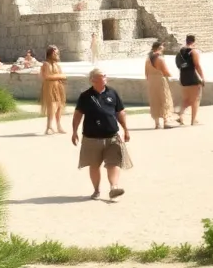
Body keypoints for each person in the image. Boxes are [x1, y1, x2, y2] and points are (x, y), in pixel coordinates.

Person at [72, 69, 131, 199]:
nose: (105, 78)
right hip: (91, 137)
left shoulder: (112, 93)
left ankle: (114, 187)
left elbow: (120, 112)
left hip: (112, 136)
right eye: (101, 76)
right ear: (92, 80)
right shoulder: (85, 96)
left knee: (113, 163)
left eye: (105, 76)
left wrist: (126, 129)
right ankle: (96, 190)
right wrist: (74, 131)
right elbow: (77, 115)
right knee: (94, 165)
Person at [144, 39, 176, 129]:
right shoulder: (160, 59)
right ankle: (166, 121)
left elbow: (146, 73)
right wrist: (172, 75)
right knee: (164, 99)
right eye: (162, 46)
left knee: (154, 100)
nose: (163, 48)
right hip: (159, 80)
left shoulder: (148, 60)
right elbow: (165, 71)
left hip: (151, 81)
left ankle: (157, 123)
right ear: (159, 48)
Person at [175, 33, 205, 125]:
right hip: (192, 77)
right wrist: (202, 77)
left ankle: (180, 116)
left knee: (186, 99)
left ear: (186, 40)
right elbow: (197, 65)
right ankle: (193, 120)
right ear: (194, 41)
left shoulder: (180, 51)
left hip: (183, 77)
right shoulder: (193, 52)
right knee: (195, 99)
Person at [39, 44, 67, 135]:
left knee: (59, 106)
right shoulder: (46, 64)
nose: (58, 54)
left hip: (58, 87)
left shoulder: (56, 65)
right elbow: (46, 76)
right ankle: (49, 127)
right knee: (51, 107)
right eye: (56, 53)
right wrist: (60, 76)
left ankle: (59, 126)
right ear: (51, 53)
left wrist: (60, 76)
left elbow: (64, 76)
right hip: (49, 87)